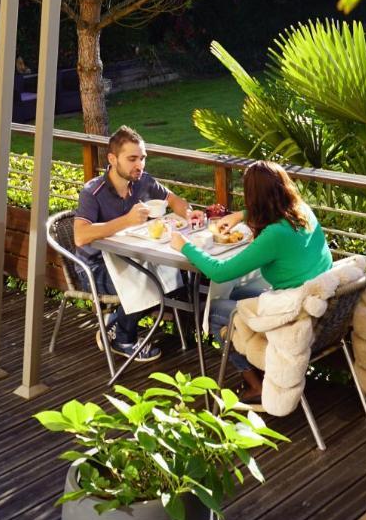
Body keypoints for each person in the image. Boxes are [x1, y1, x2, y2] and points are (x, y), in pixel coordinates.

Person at [168, 160, 333, 401]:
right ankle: (258, 371)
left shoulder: (274, 235)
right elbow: (272, 210)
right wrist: (240, 216)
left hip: (293, 321)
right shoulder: (302, 212)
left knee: (213, 310)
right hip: (318, 313)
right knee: (235, 295)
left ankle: (255, 384)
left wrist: (185, 247)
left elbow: (220, 272)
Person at [73, 125, 202, 362]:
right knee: (152, 283)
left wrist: (189, 213)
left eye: (142, 158)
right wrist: (127, 220)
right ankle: (122, 338)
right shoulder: (92, 192)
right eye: (132, 158)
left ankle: (117, 324)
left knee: (179, 277)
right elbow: (80, 236)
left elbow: (173, 199)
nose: (139, 165)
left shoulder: (142, 181)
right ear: (113, 159)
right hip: (95, 267)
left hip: (132, 258)